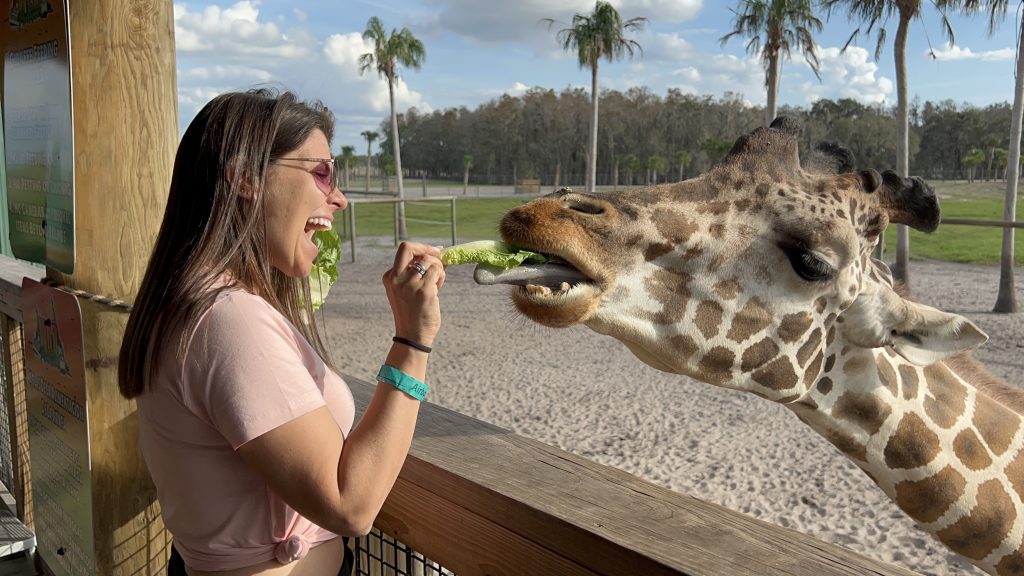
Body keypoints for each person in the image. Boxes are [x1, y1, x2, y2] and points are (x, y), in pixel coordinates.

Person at [118, 88, 445, 575]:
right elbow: (350, 505)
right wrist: (413, 342)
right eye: (321, 173)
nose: (339, 197)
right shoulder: (227, 321)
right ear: (245, 177)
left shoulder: (196, 301)